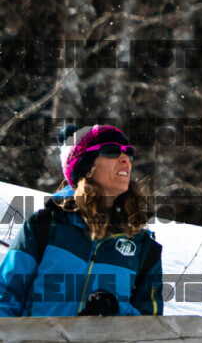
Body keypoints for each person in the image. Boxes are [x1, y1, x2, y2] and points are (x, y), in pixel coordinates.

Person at [0, 124, 163, 317]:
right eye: (112, 151)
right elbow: (5, 299)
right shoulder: (44, 226)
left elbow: (152, 325)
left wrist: (116, 310)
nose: (125, 159)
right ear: (85, 165)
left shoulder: (143, 247)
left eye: (128, 153)